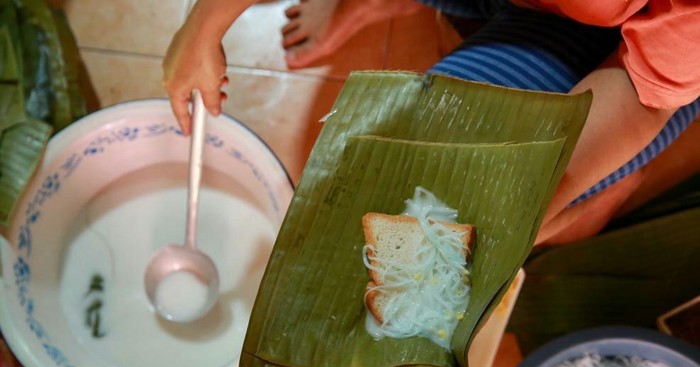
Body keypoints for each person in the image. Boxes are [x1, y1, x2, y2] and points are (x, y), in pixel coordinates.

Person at [162, 0, 700, 245]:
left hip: (633, 48)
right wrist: (204, 22)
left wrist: (548, 192)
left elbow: (641, 91)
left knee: (442, 165)